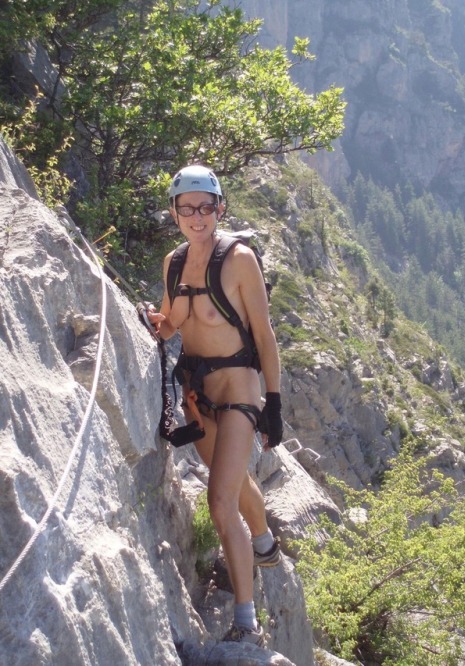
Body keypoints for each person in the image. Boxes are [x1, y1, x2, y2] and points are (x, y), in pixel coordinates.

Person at [147, 164, 283, 646]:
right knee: (233, 480)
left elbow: (264, 335)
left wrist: (274, 404)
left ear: (219, 209)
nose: (197, 217)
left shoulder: (239, 260)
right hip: (197, 393)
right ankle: (264, 540)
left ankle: (246, 621)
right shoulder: (174, 262)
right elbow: (171, 324)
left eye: (206, 207)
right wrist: (152, 322)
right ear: (175, 213)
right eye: (188, 209)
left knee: (220, 499)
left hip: (240, 389)